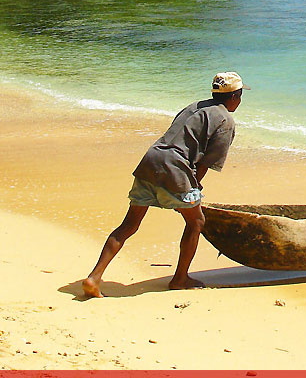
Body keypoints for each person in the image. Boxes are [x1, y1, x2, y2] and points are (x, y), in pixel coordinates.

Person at [81, 72, 247, 297]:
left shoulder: (195, 106)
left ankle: (94, 277)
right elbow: (207, 162)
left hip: (152, 159)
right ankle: (180, 279)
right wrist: (194, 187)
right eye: (239, 96)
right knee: (196, 221)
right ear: (234, 96)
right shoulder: (225, 119)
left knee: (129, 224)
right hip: (175, 167)